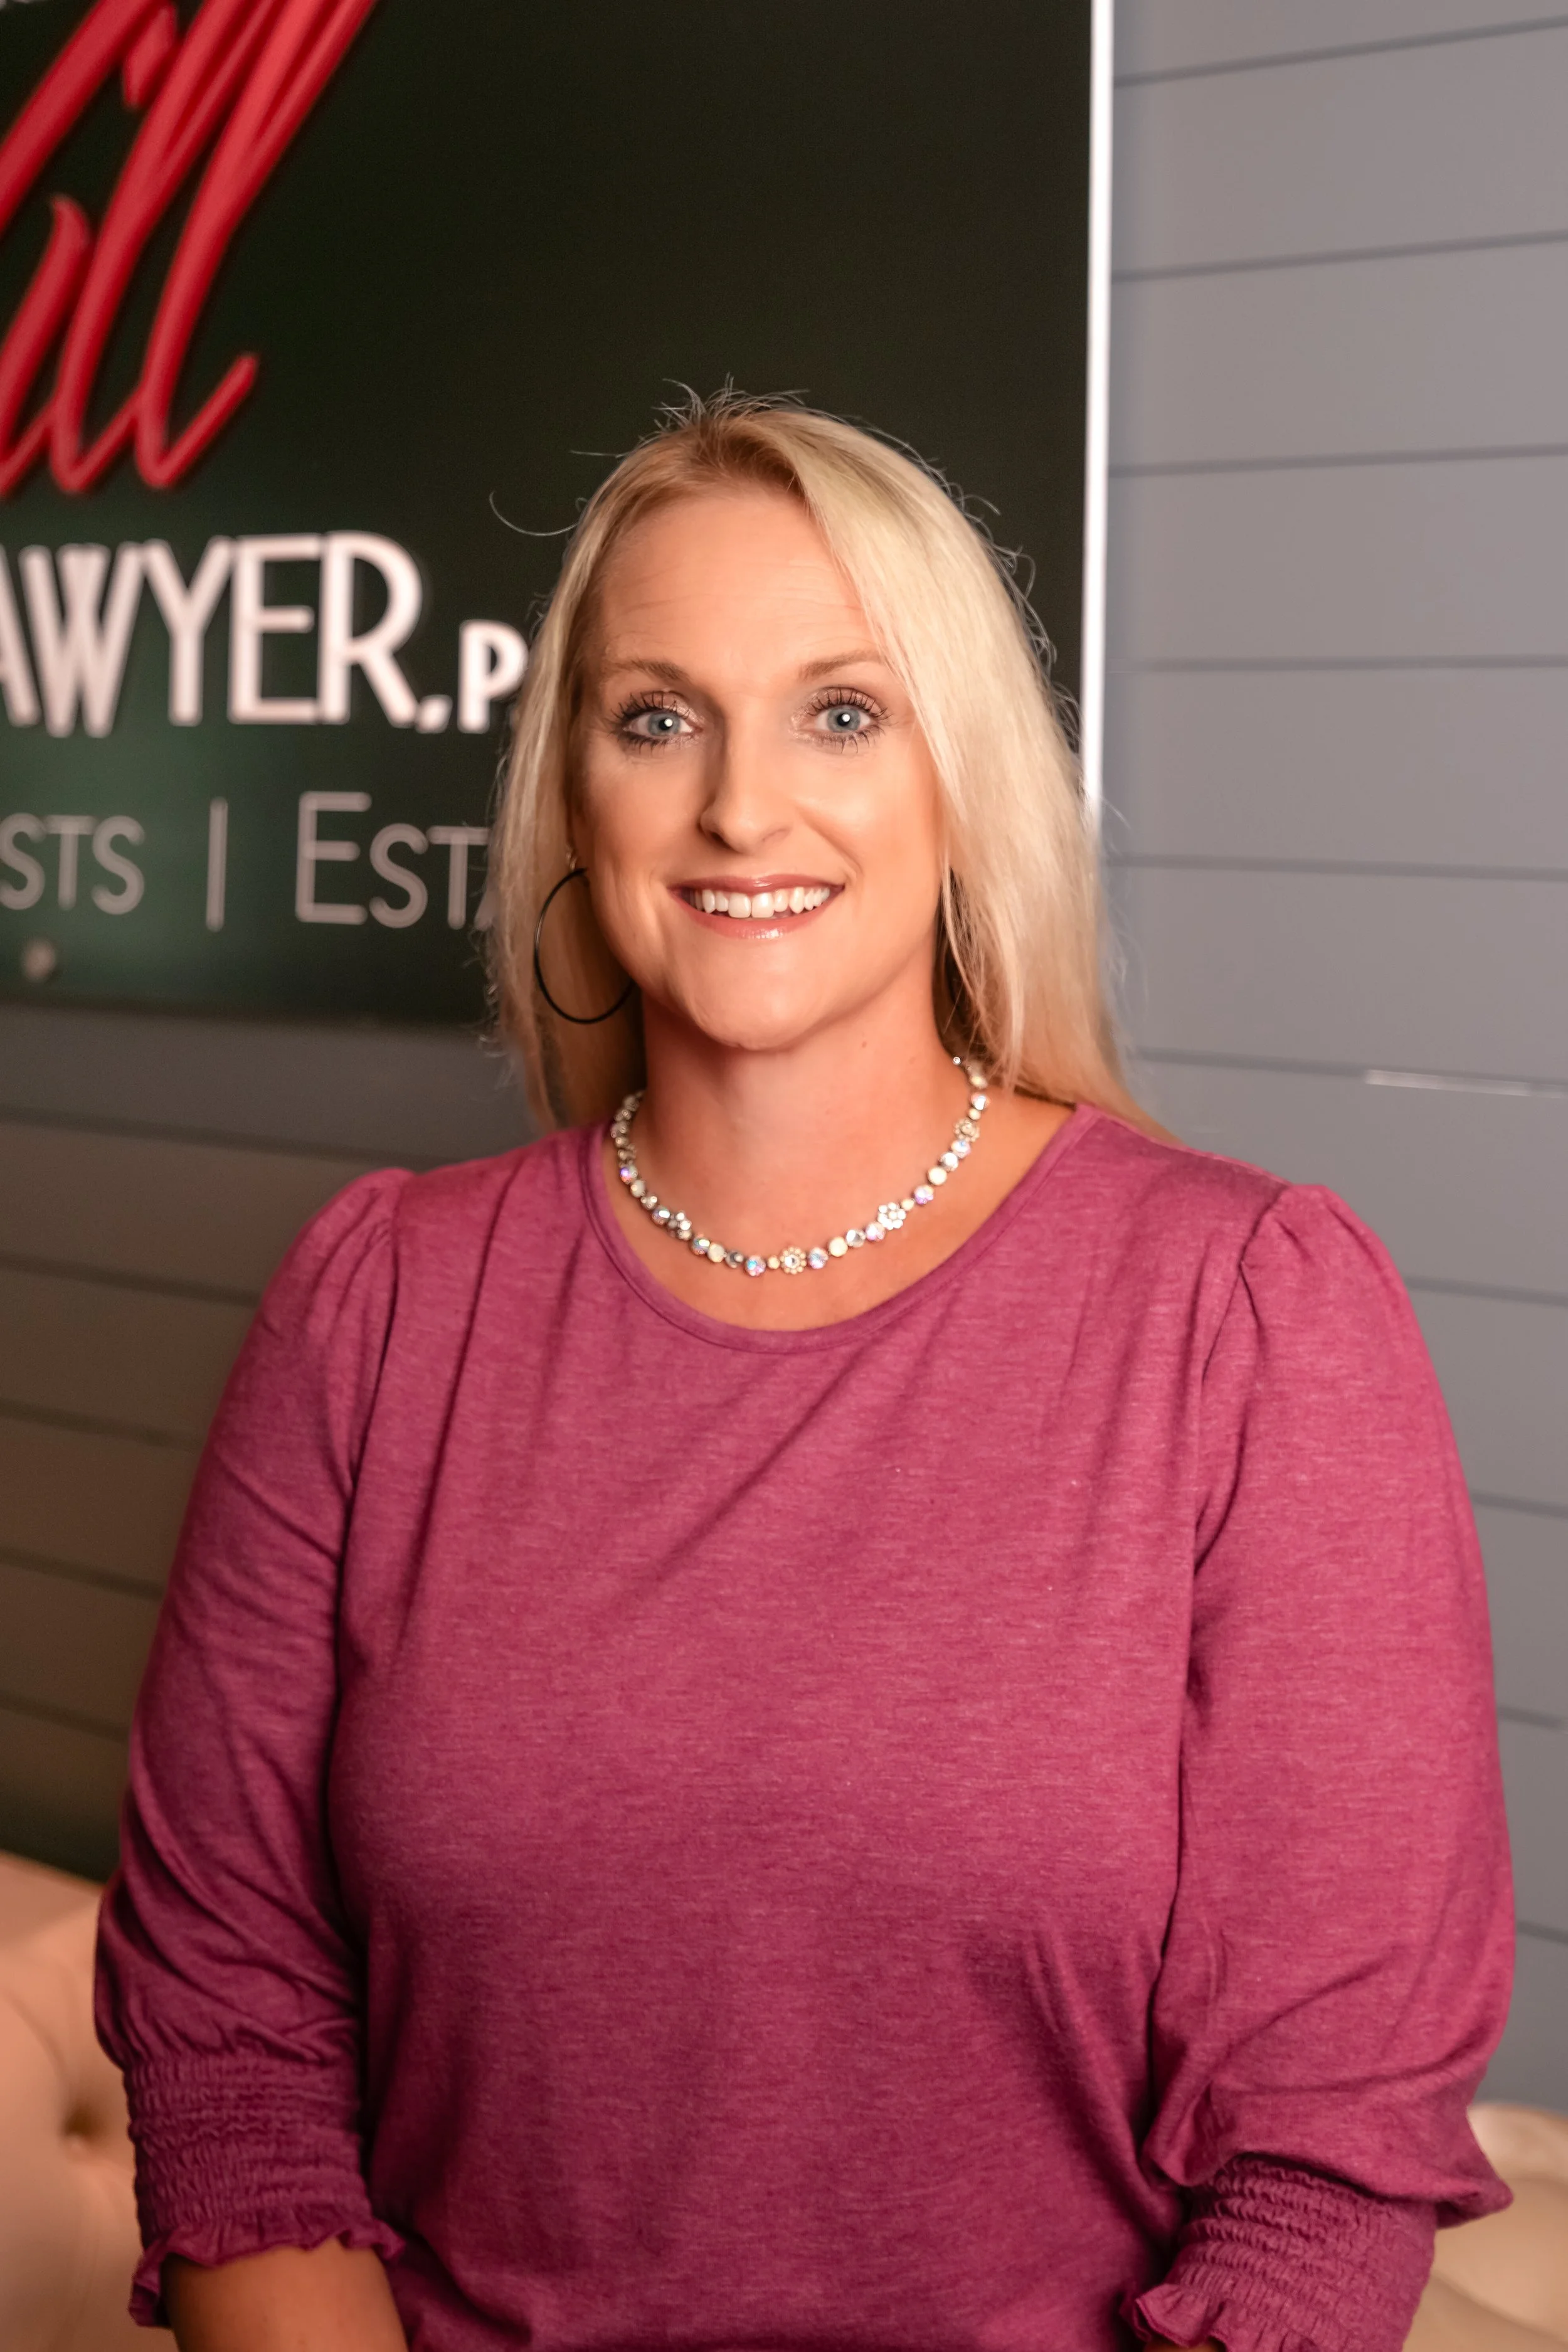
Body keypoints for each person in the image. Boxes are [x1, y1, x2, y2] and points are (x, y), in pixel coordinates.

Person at [95, 395, 1513, 2352]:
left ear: (963, 777)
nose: (741, 809)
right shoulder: (377, 1306)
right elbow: (232, 2034)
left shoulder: (1248, 1311)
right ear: (574, 793)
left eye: (840, 710)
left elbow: (1324, 2168)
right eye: (657, 717)